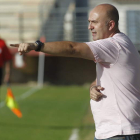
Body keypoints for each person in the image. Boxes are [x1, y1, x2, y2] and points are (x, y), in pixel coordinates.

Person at [10, 3, 140, 140]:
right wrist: (93, 87)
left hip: (120, 132)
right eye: (89, 22)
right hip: (118, 131)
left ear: (111, 25)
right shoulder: (123, 43)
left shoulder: (113, 45)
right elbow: (100, 81)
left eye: (94, 22)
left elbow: (72, 48)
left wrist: (37, 45)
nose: (90, 27)